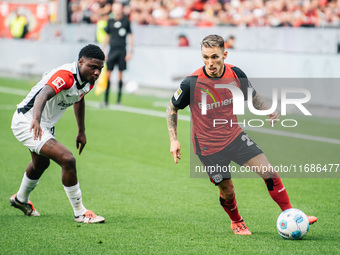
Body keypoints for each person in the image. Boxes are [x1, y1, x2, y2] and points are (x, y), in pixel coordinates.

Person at [166, 35, 317, 235]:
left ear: (224, 55)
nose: (210, 63)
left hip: (235, 137)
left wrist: (267, 109)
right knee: (227, 190)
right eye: (205, 57)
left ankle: (292, 214)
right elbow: (172, 108)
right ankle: (236, 221)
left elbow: (253, 96)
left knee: (269, 172)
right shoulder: (191, 83)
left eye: (214, 57)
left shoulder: (235, 74)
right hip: (209, 147)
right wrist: (174, 139)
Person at [10, 44, 105, 224]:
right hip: (28, 121)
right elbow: (42, 96)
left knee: (41, 164)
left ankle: (20, 199)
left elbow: (79, 99)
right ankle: (80, 212)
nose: (97, 72)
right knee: (67, 159)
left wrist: (81, 131)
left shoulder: (89, 81)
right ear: (80, 62)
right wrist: (36, 120)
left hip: (44, 124)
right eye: (93, 67)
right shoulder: (66, 76)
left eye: (100, 68)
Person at [102, 2, 134, 105]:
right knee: (108, 75)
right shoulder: (110, 21)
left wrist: (130, 51)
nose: (117, 10)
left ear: (121, 9)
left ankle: (118, 101)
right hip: (112, 50)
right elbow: (107, 36)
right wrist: (103, 50)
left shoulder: (126, 21)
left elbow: (130, 36)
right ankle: (106, 100)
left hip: (122, 51)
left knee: (120, 75)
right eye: (115, 8)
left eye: (119, 8)